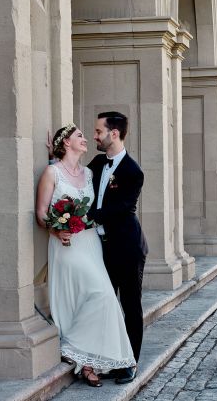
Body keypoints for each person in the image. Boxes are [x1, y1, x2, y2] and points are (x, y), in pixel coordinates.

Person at [35, 124, 136, 388]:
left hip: (91, 243)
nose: (86, 139)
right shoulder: (52, 172)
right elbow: (41, 213)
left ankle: (87, 361)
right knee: (99, 295)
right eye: (79, 135)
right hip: (66, 244)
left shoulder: (91, 172)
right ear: (66, 143)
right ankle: (77, 351)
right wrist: (56, 230)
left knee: (99, 298)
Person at [87, 111, 149, 384]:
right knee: (105, 305)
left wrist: (87, 216)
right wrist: (57, 157)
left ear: (114, 134)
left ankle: (130, 362)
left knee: (130, 306)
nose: (94, 136)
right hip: (101, 247)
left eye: (98, 131)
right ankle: (111, 358)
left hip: (128, 247)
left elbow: (122, 208)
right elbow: (77, 179)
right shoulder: (98, 162)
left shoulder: (133, 172)